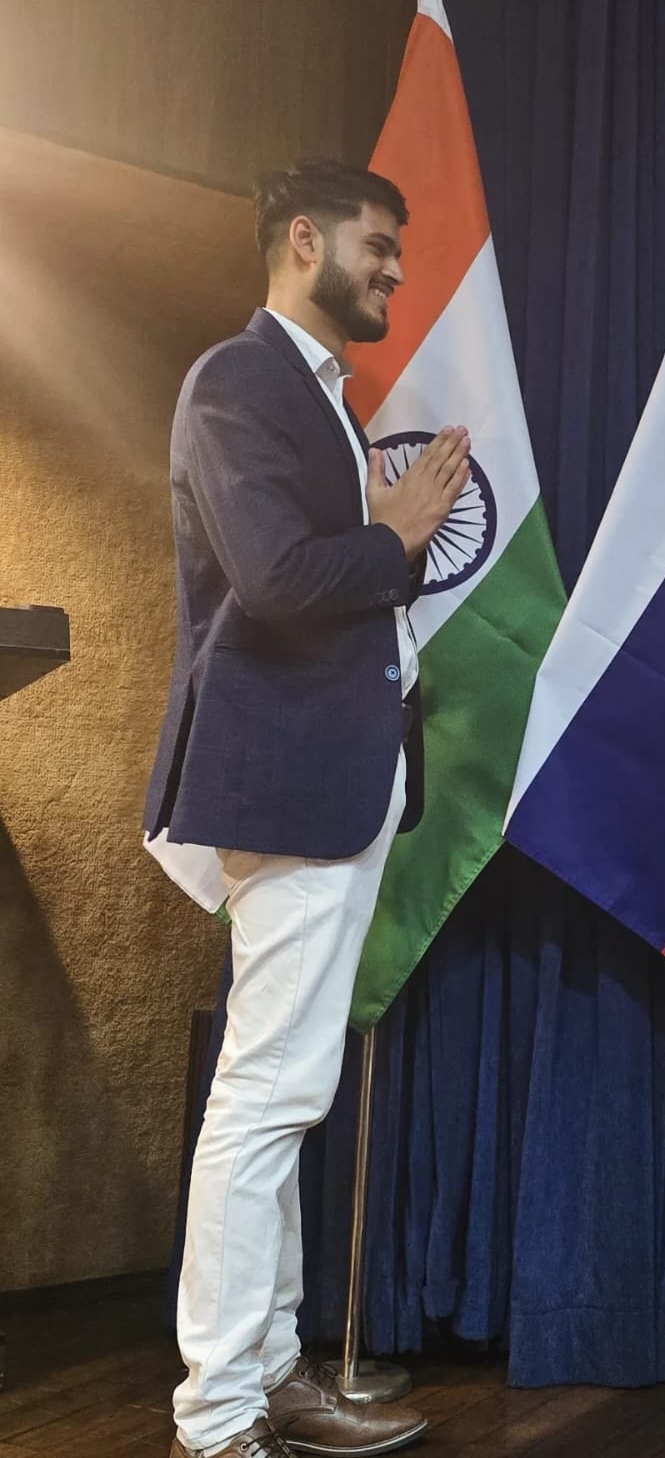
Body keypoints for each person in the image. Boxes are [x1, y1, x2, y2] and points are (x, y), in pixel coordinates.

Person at [145, 158, 471, 1458]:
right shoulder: (237, 380)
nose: (394, 269)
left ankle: (272, 1375)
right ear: (301, 242)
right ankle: (221, 1412)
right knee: (266, 1090)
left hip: (329, 781)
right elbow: (276, 575)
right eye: (377, 246)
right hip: (282, 776)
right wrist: (395, 536)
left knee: (284, 1084)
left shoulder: (324, 398)